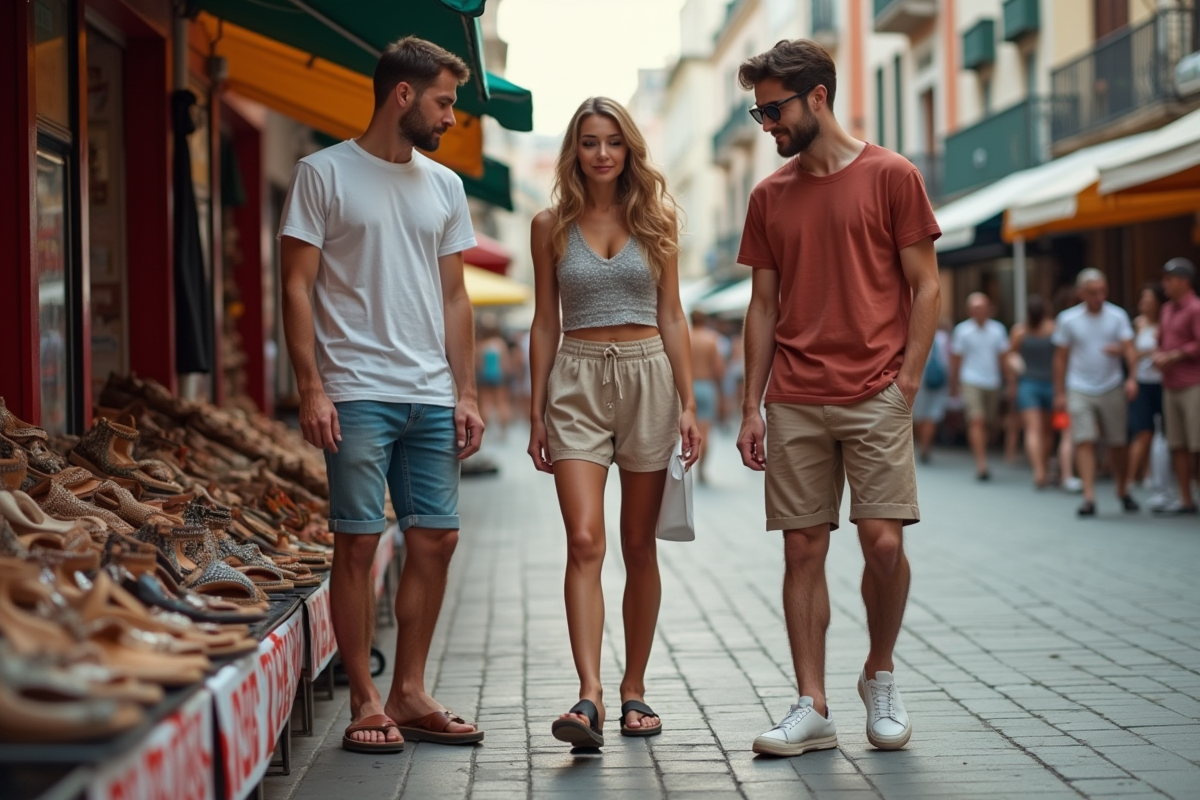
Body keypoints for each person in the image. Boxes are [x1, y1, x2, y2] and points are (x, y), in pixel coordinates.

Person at [733, 40, 941, 758]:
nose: (766, 123)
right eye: (757, 111)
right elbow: (762, 307)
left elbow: (927, 285)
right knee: (802, 551)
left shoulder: (892, 175)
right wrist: (748, 405)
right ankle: (811, 703)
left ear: (817, 97)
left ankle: (879, 671)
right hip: (793, 396)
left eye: (773, 108)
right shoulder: (769, 196)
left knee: (882, 544)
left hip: (875, 391)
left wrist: (907, 379)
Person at [279, 36, 485, 753]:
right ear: (403, 95)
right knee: (360, 540)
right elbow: (296, 286)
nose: (450, 117)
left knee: (438, 536)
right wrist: (310, 387)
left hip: (430, 392)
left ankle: (409, 688)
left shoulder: (445, 187)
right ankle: (365, 698)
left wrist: (467, 390)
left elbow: (456, 298)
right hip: (356, 390)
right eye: (443, 101)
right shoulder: (322, 173)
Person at [526, 97, 700, 747]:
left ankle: (635, 690)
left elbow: (673, 315)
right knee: (584, 541)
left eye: (614, 142)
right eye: (590, 142)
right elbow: (546, 320)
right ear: (575, 151)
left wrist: (687, 402)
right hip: (575, 379)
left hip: (649, 375)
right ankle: (590, 696)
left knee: (638, 543)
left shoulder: (656, 219)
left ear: (629, 150)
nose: (602, 153)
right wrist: (538, 405)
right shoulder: (550, 225)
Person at [1052, 269, 1139, 517]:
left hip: (1111, 384)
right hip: (1079, 387)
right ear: (1081, 293)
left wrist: (1132, 378)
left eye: (1103, 291)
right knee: (1084, 439)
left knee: (1118, 443)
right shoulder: (1068, 319)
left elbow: (1130, 349)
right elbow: (1060, 358)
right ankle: (1089, 495)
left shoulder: (1117, 316)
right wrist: (1059, 392)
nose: (1099, 297)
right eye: (1093, 292)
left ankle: (1122, 489)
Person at [1153, 257, 1200, 515]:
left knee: (1197, 444)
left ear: (1185, 281)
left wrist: (1174, 355)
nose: (1165, 285)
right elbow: (1160, 340)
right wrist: (1159, 354)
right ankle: (1185, 498)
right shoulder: (1166, 310)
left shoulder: (1195, 308)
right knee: (1178, 444)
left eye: (1169, 280)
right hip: (1170, 385)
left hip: (1194, 384)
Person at [949, 293, 1010, 481]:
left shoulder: (998, 330)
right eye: (976, 308)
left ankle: (983, 451)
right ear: (969, 311)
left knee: (989, 423)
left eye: (982, 307)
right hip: (971, 380)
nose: (980, 311)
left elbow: (1003, 358)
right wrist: (954, 383)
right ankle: (981, 464)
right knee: (977, 420)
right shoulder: (962, 331)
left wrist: (1010, 382)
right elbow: (956, 359)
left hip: (992, 381)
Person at [1007, 295, 1057, 488]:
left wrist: (1013, 383)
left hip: (1028, 384)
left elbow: (1010, 356)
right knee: (1046, 431)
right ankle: (1041, 468)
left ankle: (1039, 470)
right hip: (1049, 384)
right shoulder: (1053, 329)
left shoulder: (1020, 331)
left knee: (1033, 430)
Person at [1127, 284, 1165, 489]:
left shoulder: (1166, 321)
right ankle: (1133, 477)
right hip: (1142, 381)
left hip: (1164, 382)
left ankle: (1157, 475)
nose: (1144, 305)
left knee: (1166, 434)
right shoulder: (1138, 323)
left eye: (1149, 301)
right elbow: (1131, 354)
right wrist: (1132, 379)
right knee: (1143, 431)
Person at [689, 309, 726, 482]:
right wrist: (721, 392)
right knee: (705, 431)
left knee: (686, 429)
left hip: (688, 386)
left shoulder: (686, 337)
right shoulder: (712, 339)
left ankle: (686, 464)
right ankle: (701, 469)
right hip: (706, 385)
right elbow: (718, 369)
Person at [912, 319, 951, 464]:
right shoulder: (944, 339)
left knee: (921, 414)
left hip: (920, 378)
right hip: (939, 380)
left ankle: (923, 445)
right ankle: (925, 447)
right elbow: (950, 360)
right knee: (932, 414)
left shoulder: (915, 335)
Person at [476, 317, 512, 440]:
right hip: (499, 376)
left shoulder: (481, 345)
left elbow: (479, 364)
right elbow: (506, 363)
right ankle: (503, 432)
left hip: (485, 376)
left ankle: (484, 432)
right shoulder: (500, 343)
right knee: (502, 403)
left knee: (485, 404)